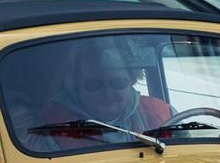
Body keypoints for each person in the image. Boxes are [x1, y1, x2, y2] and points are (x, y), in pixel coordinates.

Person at [35, 40, 171, 149]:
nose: (107, 92)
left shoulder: (161, 112)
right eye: (94, 85)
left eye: (118, 83)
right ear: (76, 85)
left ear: (132, 81)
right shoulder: (51, 128)